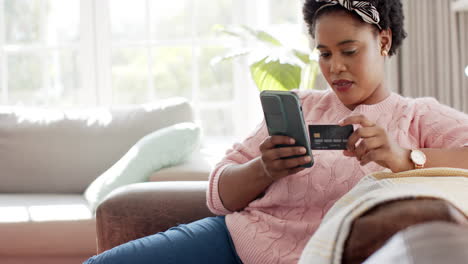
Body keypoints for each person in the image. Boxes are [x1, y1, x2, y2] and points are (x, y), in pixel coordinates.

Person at [84, 0, 468, 263]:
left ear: (383, 41)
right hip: (233, 242)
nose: (334, 67)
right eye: (324, 52)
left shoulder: (416, 116)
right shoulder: (300, 104)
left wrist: (402, 158)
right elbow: (218, 194)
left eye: (348, 51)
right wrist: (263, 169)